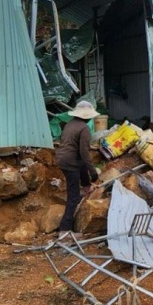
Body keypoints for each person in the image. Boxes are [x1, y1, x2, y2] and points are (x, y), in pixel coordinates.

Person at [54, 101, 100, 239]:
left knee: (79, 174)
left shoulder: (70, 124)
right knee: (73, 195)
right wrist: (93, 173)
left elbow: (80, 159)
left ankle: (85, 189)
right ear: (88, 116)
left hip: (63, 158)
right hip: (70, 161)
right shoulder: (84, 128)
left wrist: (87, 183)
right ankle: (65, 230)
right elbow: (84, 153)